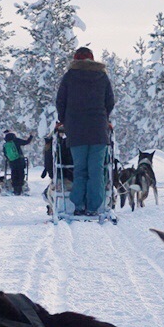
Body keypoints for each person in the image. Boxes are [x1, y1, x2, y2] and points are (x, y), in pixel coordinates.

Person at [55, 46, 115, 216]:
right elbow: (109, 101)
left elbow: (61, 102)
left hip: (76, 130)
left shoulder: (69, 77)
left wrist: (65, 120)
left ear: (75, 59)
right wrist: (103, 117)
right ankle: (93, 206)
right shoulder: (102, 76)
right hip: (98, 130)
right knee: (96, 170)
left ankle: (78, 205)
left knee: (80, 169)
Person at [2, 130, 34, 195]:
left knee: (14, 174)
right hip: (20, 161)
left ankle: (14, 190)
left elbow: (5, 154)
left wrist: (10, 159)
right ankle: (20, 189)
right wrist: (31, 136)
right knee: (21, 174)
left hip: (12, 162)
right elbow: (26, 142)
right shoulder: (16, 140)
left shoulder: (6, 144)